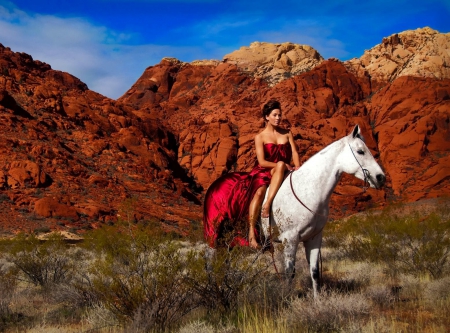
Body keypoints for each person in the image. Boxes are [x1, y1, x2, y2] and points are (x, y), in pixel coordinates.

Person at [203, 100, 300, 249]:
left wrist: (297, 166)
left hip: (283, 170)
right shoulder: (260, 137)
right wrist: (283, 165)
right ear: (267, 117)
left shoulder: (287, 133)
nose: (278, 118)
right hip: (264, 170)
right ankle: (252, 231)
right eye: (274, 115)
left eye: (279, 115)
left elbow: (294, 151)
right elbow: (262, 161)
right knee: (260, 191)